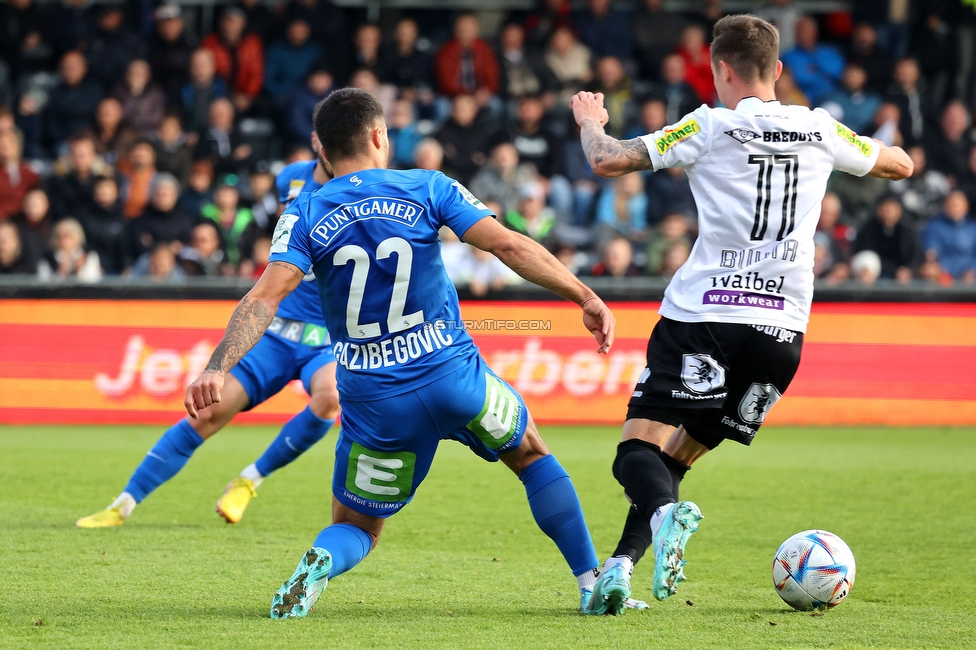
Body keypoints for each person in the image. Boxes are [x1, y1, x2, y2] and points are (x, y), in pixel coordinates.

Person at [182, 88, 629, 619]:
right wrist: (584, 294)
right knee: (530, 454)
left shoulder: (302, 211)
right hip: (452, 376)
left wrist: (216, 366)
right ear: (379, 136)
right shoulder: (427, 186)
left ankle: (322, 560)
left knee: (355, 527)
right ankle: (588, 581)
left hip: (375, 400)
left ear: (320, 148)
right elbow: (508, 245)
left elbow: (263, 299)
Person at [570, 14, 912, 615]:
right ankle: (619, 570)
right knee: (673, 460)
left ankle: (659, 519)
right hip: (781, 336)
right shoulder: (819, 129)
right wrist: (862, 147)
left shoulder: (711, 125)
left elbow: (608, 160)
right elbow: (900, 165)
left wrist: (590, 122)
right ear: (778, 71)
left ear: (719, 70)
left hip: (704, 316)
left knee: (636, 452)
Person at [77, 130, 342, 528]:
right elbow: (269, 227)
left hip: (326, 338)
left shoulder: (361, 189)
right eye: (328, 138)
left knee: (331, 396)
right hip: (275, 329)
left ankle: (249, 481)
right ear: (315, 139)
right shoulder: (290, 178)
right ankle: (123, 504)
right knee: (206, 414)